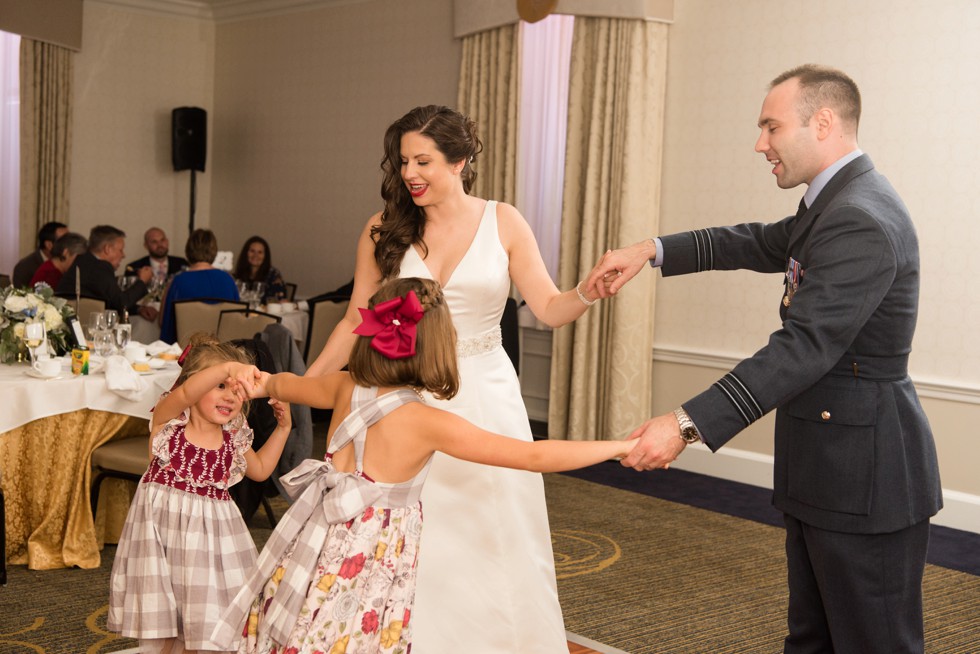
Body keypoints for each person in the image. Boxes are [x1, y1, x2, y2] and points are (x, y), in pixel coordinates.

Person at [586, 64, 942, 653]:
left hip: (866, 476)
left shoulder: (860, 216)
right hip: (827, 465)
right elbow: (754, 240)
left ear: (822, 122)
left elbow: (804, 346)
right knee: (813, 638)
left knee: (872, 642)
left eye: (770, 126)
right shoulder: (833, 203)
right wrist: (649, 250)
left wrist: (684, 424)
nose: (761, 143)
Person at [305, 105, 610, 652]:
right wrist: (305, 385)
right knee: (407, 529)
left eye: (423, 160)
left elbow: (549, 306)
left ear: (461, 161)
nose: (410, 174)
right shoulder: (384, 229)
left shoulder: (504, 220)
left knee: (494, 525)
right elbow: (356, 319)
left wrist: (586, 290)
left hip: (485, 392)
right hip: (400, 396)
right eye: (403, 162)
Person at [212, 277, 634, 652]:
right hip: (370, 557)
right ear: (437, 347)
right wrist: (615, 447)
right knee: (352, 633)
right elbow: (533, 455)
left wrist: (259, 380)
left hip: (317, 536)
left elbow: (285, 383)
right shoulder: (426, 421)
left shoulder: (343, 385)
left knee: (305, 621)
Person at [107, 332, 292, 653]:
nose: (230, 397)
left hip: (211, 551)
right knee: (163, 629)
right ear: (192, 384)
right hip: (161, 544)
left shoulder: (233, 437)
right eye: (220, 386)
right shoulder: (170, 423)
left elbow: (261, 469)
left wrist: (284, 428)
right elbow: (186, 393)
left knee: (206, 624)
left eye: (238, 392)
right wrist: (229, 369)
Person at [158, 229, 241, 344]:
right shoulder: (228, 280)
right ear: (214, 251)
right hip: (221, 351)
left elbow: (164, 322)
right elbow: (236, 320)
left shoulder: (178, 281)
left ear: (188, 251)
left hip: (187, 350)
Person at [56, 225, 152, 313]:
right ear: (108, 249)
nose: (123, 255)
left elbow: (112, 302)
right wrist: (142, 281)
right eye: (120, 250)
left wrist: (138, 309)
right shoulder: (99, 267)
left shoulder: (85, 261)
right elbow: (122, 303)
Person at [126, 227, 189, 322]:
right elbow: (126, 299)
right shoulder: (134, 267)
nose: (160, 245)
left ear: (167, 241)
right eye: (154, 242)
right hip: (146, 319)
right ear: (146, 245)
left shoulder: (182, 264)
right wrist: (140, 309)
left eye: (162, 240)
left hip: (175, 317)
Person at [233, 236, 287, 304]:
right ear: (246, 253)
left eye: (260, 252)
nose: (256, 255)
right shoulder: (238, 274)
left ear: (265, 256)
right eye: (252, 251)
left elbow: (278, 301)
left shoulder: (273, 274)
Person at [12, 221, 68, 287]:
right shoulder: (24, 267)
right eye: (65, 241)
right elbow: (20, 295)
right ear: (49, 245)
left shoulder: (69, 262)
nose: (69, 245)